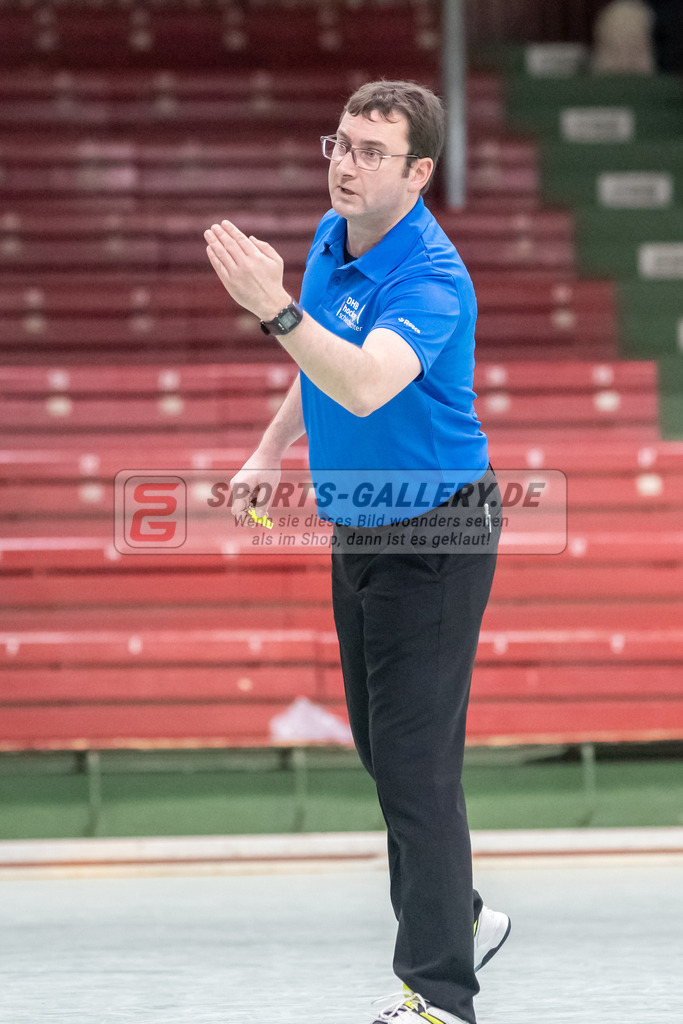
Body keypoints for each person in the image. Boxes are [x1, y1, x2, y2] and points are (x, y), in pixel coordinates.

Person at [204, 80, 510, 1024]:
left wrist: (272, 308)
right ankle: (461, 915)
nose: (345, 163)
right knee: (387, 755)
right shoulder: (335, 236)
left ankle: (439, 996)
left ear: (417, 173)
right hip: (361, 525)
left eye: (371, 152)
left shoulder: (429, 278)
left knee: (416, 769)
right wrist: (268, 450)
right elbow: (320, 359)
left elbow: (369, 382)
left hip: (438, 533)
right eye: (339, 142)